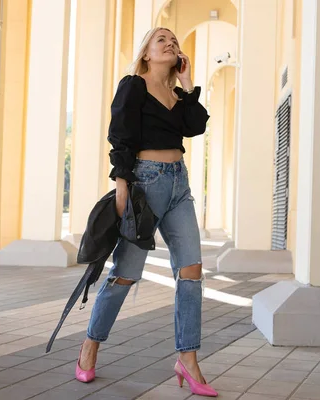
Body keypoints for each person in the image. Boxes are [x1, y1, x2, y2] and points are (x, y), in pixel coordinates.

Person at [75, 27, 216, 397]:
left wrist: (186, 84)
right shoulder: (133, 86)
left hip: (178, 185)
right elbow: (120, 137)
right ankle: (90, 345)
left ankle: (187, 358)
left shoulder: (177, 94)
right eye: (161, 40)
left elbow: (196, 126)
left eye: (174, 42)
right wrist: (122, 186)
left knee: (191, 271)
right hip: (144, 184)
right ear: (147, 54)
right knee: (126, 273)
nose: (170, 44)